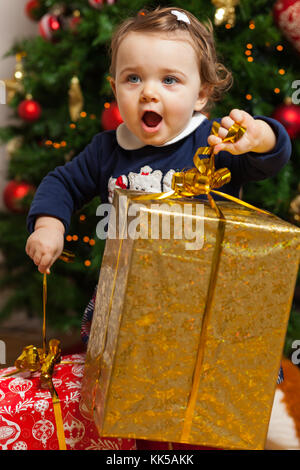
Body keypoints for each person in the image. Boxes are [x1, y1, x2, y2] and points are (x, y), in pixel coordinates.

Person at [25, 6, 288, 449]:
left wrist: (257, 136)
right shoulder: (107, 150)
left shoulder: (213, 145)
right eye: (133, 79)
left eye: (169, 80)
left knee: (214, 393)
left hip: (201, 306)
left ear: (201, 93)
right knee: (130, 399)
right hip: (125, 305)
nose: (149, 93)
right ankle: (136, 440)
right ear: (114, 88)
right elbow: (63, 183)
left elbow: (271, 157)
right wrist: (49, 225)